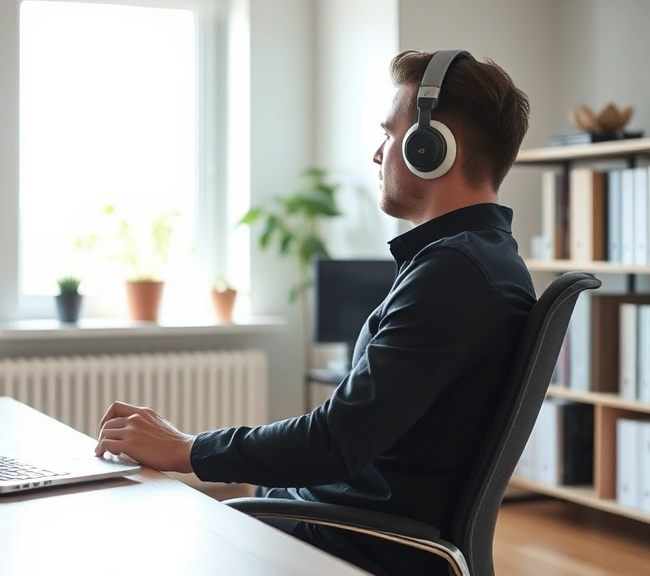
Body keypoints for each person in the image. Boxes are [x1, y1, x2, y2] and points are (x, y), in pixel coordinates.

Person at [94, 49, 536, 576]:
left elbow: (334, 442)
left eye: (390, 135)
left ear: (431, 148)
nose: (378, 154)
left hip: (355, 540)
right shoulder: (477, 260)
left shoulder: (455, 275)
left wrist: (187, 449)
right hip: (346, 518)